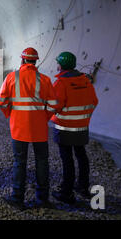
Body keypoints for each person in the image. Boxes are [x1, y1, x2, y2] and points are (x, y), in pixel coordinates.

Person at [0, 48, 58, 210]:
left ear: (22, 60)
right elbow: (53, 105)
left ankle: (18, 199)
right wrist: (43, 118)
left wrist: (10, 114)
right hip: (40, 130)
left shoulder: (12, 77)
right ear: (35, 61)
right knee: (42, 162)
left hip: (18, 129)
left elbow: (1, 101)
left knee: (19, 162)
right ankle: (43, 199)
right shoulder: (45, 80)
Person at [50, 52, 98, 204]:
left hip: (64, 128)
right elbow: (94, 101)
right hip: (81, 127)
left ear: (61, 65)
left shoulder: (60, 83)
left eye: (58, 63)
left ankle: (66, 193)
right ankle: (83, 187)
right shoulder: (85, 80)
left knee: (67, 160)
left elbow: (55, 105)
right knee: (81, 156)